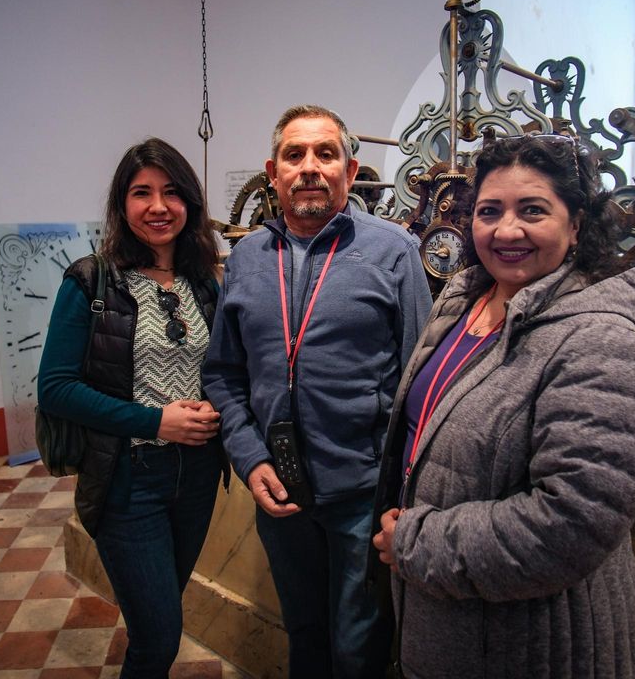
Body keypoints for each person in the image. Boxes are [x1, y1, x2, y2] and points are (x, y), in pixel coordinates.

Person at [371, 132, 635, 678]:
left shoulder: (602, 338)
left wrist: (414, 540)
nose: (507, 230)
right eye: (489, 211)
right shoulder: (464, 299)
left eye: (533, 210)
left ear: (576, 223)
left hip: (535, 644)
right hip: (450, 621)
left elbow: (572, 523)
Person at [204, 104, 433, 678]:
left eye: (325, 154)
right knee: (302, 634)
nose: (310, 167)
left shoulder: (394, 251)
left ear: (349, 172)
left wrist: (405, 494)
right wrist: (249, 455)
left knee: (358, 649)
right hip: (278, 491)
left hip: (364, 496)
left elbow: (419, 381)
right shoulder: (246, 259)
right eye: (295, 155)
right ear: (273, 172)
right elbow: (223, 374)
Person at [38, 138, 225, 679]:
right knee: (158, 636)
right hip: (127, 480)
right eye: (141, 193)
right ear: (122, 205)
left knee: (163, 615)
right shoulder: (91, 280)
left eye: (171, 192)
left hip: (197, 476)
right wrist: (156, 420)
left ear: (190, 202)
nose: (158, 206)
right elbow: (56, 387)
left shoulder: (205, 281)